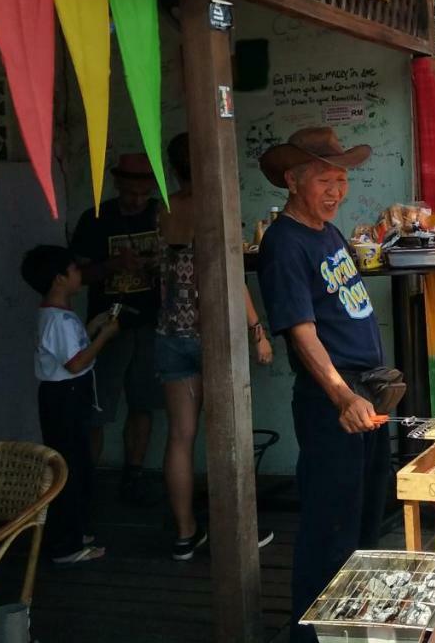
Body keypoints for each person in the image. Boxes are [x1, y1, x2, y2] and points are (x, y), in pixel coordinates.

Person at [256, 127, 389, 643]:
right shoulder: (284, 243)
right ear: (292, 181)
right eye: (324, 180)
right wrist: (342, 394)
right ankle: (310, 636)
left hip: (366, 391)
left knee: (362, 519)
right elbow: (301, 331)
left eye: (342, 179)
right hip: (334, 400)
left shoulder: (327, 232)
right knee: (329, 526)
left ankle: (351, 627)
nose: (336, 190)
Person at [157, 133, 275, 561]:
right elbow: (234, 276)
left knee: (181, 437)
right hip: (213, 336)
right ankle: (237, 530)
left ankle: (186, 533)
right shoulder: (216, 209)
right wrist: (257, 330)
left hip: (170, 333)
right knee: (228, 435)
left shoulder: (165, 207)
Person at [70, 153, 164, 506]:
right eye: (130, 193)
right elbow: (78, 277)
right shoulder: (95, 218)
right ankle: (88, 482)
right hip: (107, 326)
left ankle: (134, 475)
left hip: (150, 323)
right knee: (98, 408)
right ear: (117, 183)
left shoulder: (160, 213)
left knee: (143, 404)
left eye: (143, 193)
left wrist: (156, 267)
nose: (137, 200)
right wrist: (114, 265)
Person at [21, 244, 120, 564]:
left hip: (64, 394)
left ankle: (73, 530)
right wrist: (104, 338)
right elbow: (76, 363)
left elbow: (71, 351)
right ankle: (67, 544)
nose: (81, 274)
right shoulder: (57, 320)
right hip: (65, 394)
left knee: (75, 463)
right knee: (70, 467)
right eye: (75, 269)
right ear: (59, 279)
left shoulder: (56, 314)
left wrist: (93, 328)